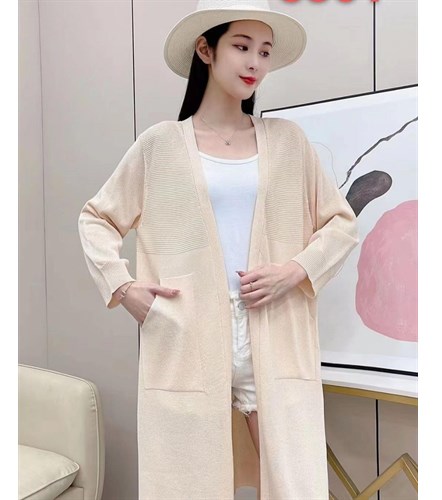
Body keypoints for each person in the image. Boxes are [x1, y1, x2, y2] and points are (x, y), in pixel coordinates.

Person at [78, 1, 359, 498]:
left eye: (265, 51)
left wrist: (295, 270)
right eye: (242, 46)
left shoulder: (287, 142)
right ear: (206, 50)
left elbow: (340, 224)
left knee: (295, 483)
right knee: (186, 483)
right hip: (186, 332)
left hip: (273, 328)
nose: (255, 62)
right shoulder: (161, 144)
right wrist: (123, 287)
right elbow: (97, 217)